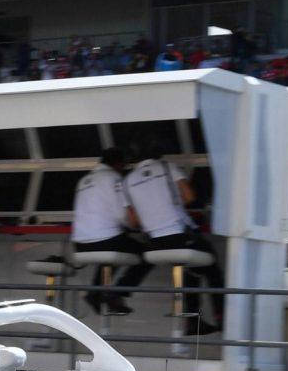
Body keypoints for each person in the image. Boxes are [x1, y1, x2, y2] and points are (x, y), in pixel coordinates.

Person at [124, 141, 223, 334]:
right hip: (179, 235)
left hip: (154, 244)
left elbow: (133, 220)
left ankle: (193, 322)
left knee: (190, 269)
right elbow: (189, 197)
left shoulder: (127, 181)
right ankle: (222, 316)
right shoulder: (167, 167)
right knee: (211, 266)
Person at [69, 148, 144, 315]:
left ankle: (96, 293)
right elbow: (121, 215)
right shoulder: (113, 178)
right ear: (118, 163)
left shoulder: (83, 180)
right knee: (146, 254)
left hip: (80, 246)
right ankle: (117, 293)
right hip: (105, 242)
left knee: (111, 252)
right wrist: (136, 226)